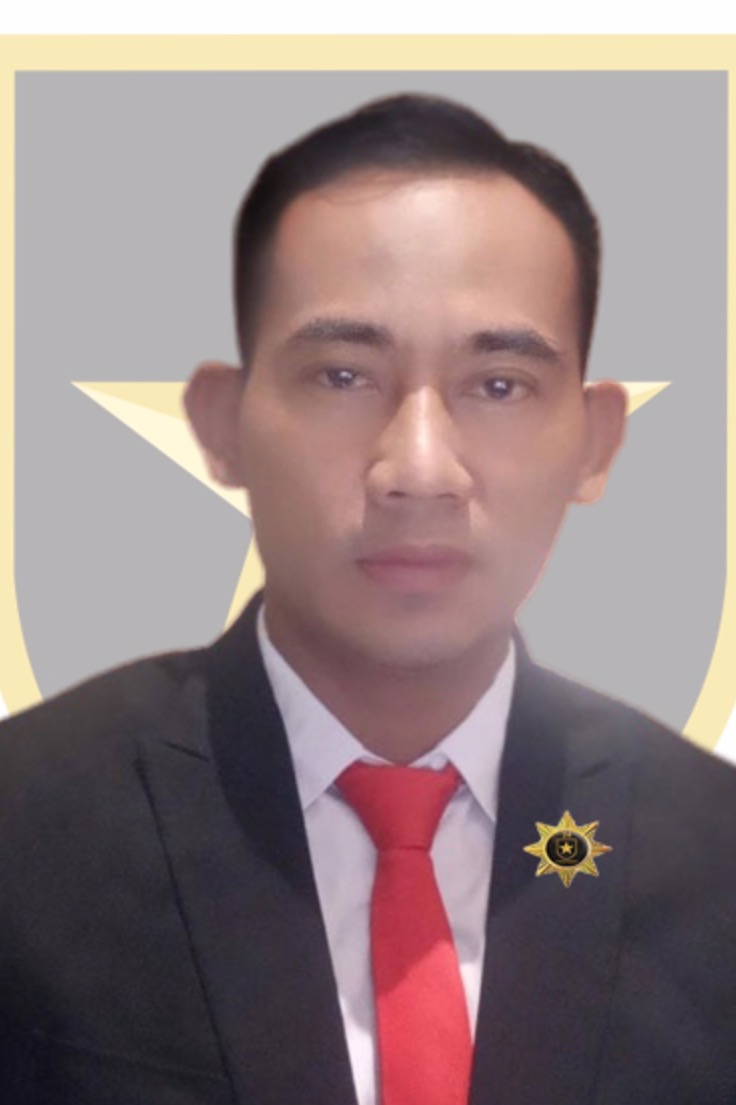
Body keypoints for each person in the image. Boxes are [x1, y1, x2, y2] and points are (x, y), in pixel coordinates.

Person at [1, 93, 735, 1105]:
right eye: (342, 375)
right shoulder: (27, 827)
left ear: (595, 441)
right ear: (222, 423)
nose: (418, 470)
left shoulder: (715, 855)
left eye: (499, 384)